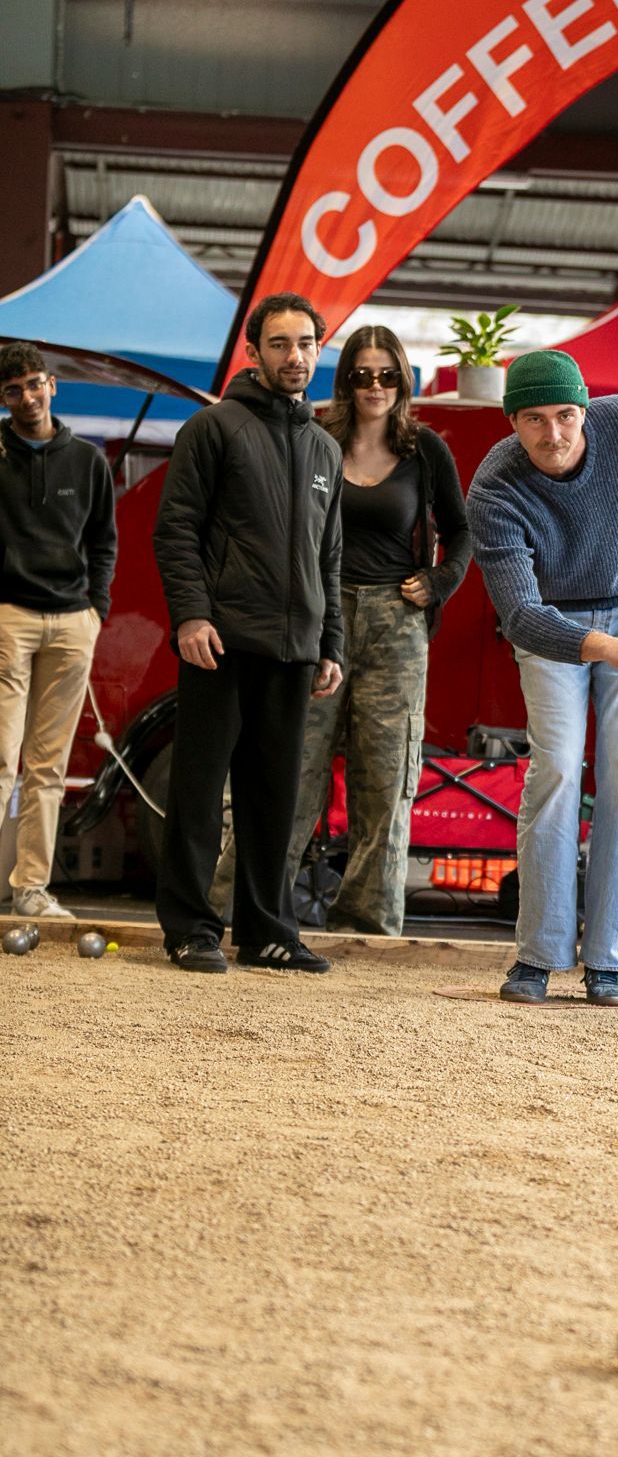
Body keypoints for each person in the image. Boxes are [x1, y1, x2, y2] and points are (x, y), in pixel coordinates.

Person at [466, 349, 618, 1006]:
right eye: (534, 420)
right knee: (554, 767)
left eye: (566, 416)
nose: (553, 433)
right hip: (552, 624)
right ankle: (538, 954)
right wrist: (606, 649)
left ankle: (609, 959)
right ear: (512, 422)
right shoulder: (494, 487)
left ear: (585, 410)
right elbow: (521, 616)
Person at [213, 326, 471, 936]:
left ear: (403, 380)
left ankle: (367, 925)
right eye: (362, 375)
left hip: (396, 623)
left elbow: (461, 531)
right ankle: (240, 911)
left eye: (387, 375)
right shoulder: (315, 438)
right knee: (287, 768)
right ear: (346, 381)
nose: (375, 386)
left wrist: (440, 581)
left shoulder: (425, 450)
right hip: (316, 616)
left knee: (386, 778)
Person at [153, 292, 343, 974]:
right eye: (281, 344)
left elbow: (329, 556)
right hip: (221, 641)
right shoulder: (213, 428)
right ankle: (189, 928)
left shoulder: (324, 447)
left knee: (273, 801)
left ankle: (265, 932)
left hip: (295, 651)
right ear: (254, 351)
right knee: (200, 795)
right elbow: (175, 529)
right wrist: (191, 615)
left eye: (306, 344)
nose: (295, 357)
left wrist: (331, 643)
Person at [0, 342, 116, 919]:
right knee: (1, 759)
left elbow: (104, 541)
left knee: (48, 767)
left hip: (73, 621)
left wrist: (96, 609)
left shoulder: (89, 461)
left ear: (53, 385)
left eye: (34, 383)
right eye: (12, 389)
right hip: (10, 618)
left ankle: (30, 889)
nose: (27, 397)